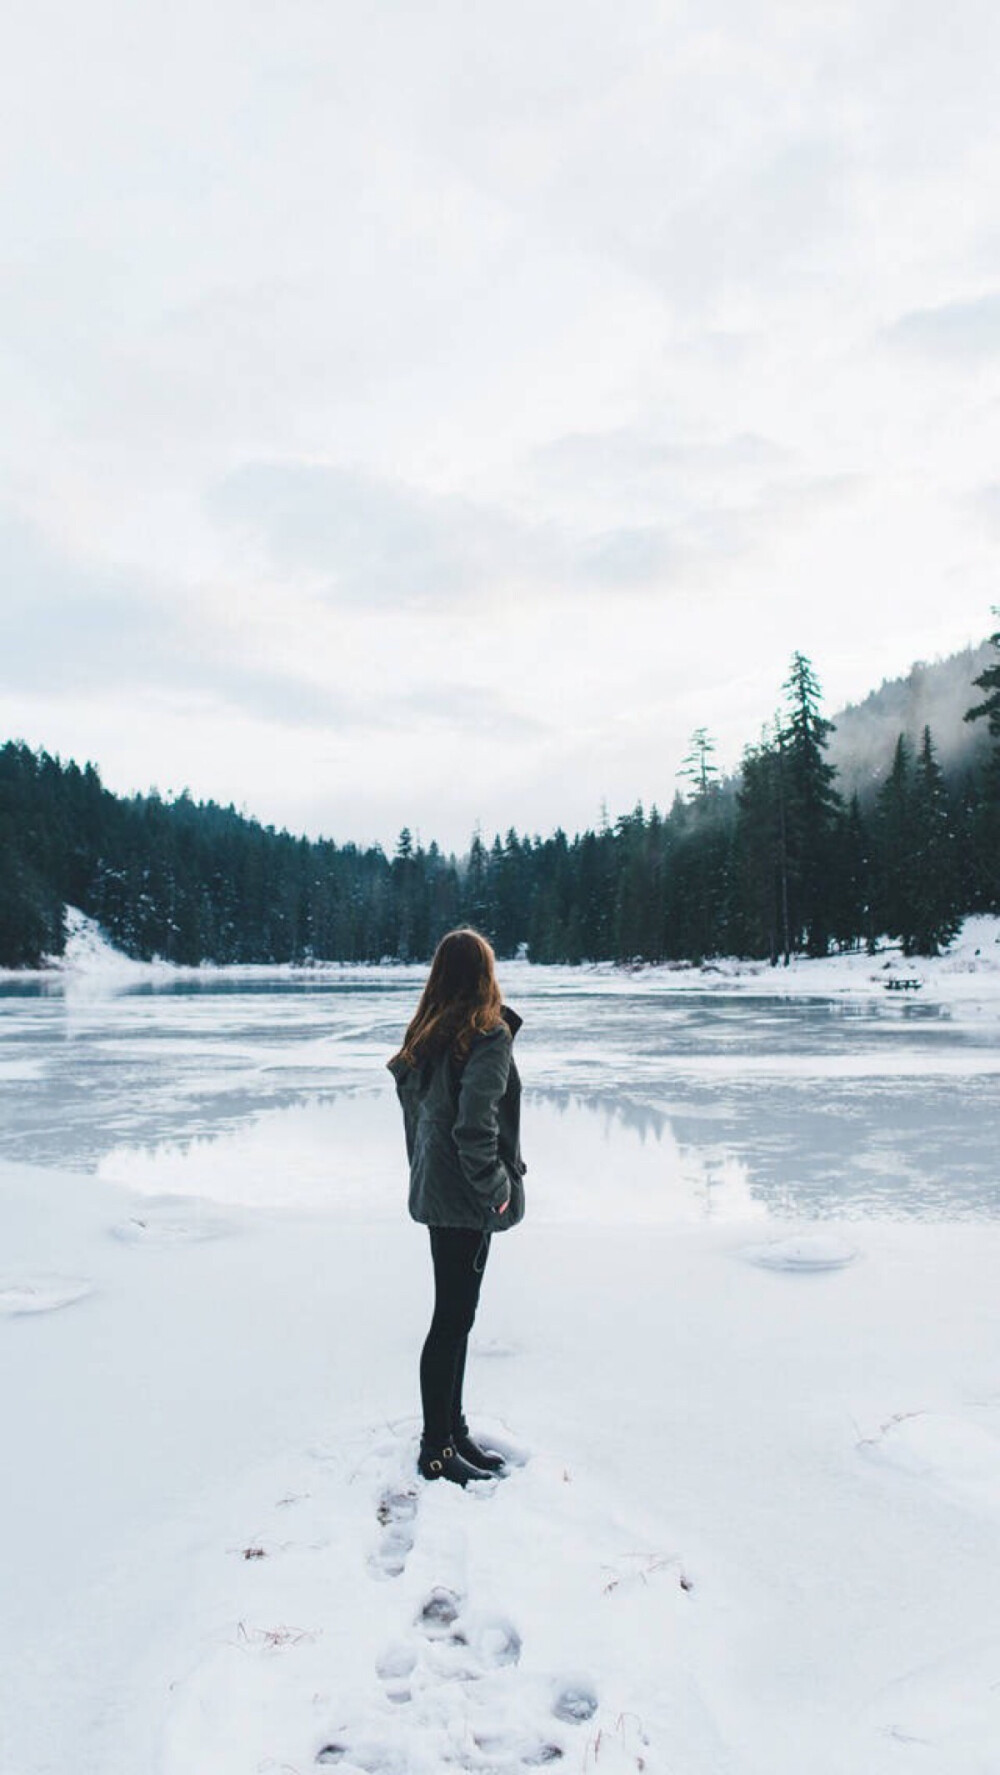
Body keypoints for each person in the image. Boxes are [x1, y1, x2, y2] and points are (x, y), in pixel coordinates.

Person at [387, 927, 526, 1487]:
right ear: (486, 974)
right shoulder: (485, 1036)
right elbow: (474, 1128)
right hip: (467, 1198)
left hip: (439, 1192)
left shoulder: (431, 1035)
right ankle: (437, 1451)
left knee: (455, 1318)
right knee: (451, 1321)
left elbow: (420, 1127)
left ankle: (452, 1432)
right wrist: (496, 1191)